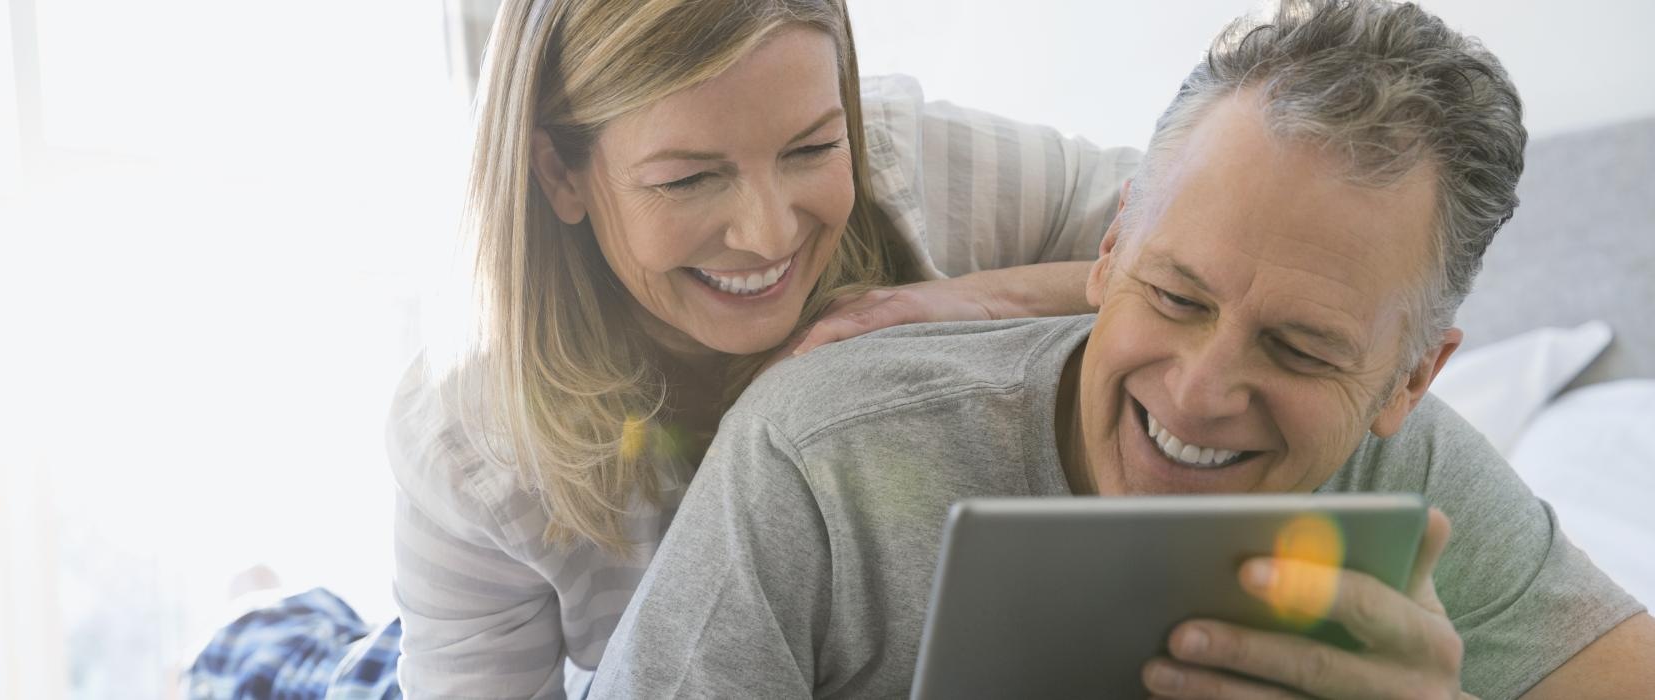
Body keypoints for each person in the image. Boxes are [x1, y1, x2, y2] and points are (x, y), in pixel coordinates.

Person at [587, 1, 1655, 697]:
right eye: (1177, 295)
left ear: (1411, 377)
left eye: (1297, 347)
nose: (1199, 393)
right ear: (1108, 250)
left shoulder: (1406, 475)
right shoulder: (816, 457)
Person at [186, 0, 1139, 698]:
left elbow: (1220, 265)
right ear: (559, 170)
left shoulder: (928, 167)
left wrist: (977, 298)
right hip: (488, 671)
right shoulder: (470, 436)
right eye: (688, 179)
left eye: (811, 150)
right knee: (288, 665)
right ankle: (253, 602)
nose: (768, 234)